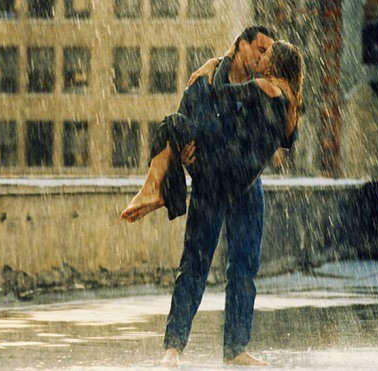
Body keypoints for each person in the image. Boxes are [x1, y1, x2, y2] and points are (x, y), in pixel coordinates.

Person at [120, 28, 303, 367]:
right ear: (240, 45)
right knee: (194, 266)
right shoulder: (203, 82)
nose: (263, 58)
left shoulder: (262, 86)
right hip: (212, 182)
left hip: (247, 186)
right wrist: (189, 160)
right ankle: (173, 348)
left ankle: (236, 350)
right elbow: (185, 130)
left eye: (268, 53)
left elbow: (283, 137)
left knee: (244, 268)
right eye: (259, 50)